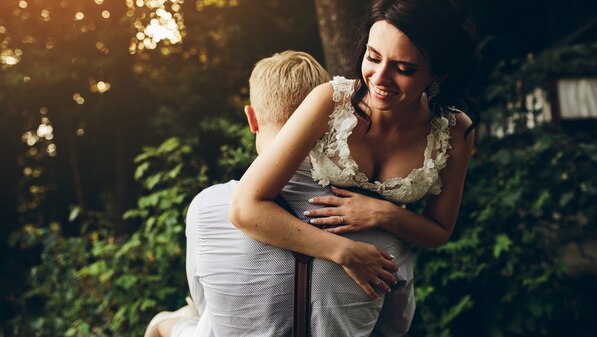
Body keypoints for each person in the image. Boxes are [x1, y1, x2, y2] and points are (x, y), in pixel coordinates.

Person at [231, 0, 479, 298]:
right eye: (373, 58)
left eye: (403, 68)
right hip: (294, 273)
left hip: (386, 287)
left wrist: (384, 213)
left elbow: (439, 231)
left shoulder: (455, 130)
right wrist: (343, 251)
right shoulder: (329, 102)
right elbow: (244, 208)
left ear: (438, 75)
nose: (380, 78)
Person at [145, 50, 416, 337]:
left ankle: (167, 323)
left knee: (204, 319)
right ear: (331, 122)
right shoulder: (379, 222)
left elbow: (206, 302)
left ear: (252, 118)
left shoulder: (206, 208)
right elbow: (395, 326)